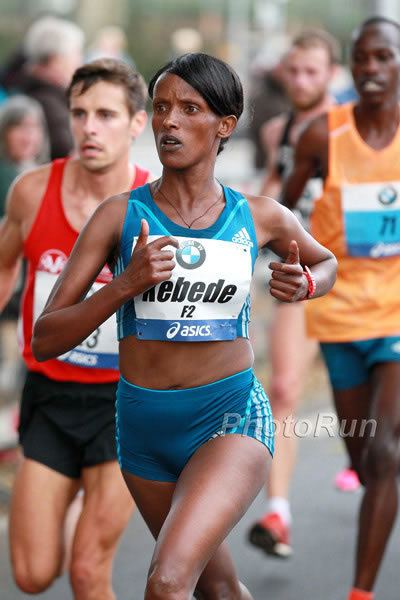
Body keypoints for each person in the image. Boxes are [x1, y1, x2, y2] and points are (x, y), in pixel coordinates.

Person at [31, 52, 337, 600]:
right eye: (161, 107)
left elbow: (325, 261)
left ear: (224, 125)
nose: (168, 121)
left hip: (230, 418)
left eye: (188, 109)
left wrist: (306, 284)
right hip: (144, 429)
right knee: (215, 589)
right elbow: (47, 337)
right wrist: (124, 285)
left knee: (168, 581)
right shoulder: (119, 216)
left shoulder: (260, 215)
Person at [0, 58, 151, 599]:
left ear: (138, 123)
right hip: (49, 396)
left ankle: (95, 505)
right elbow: (3, 266)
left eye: (106, 114)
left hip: (125, 406)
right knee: (33, 575)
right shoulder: (31, 191)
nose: (89, 127)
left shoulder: (156, 206)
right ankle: (81, 504)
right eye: (79, 113)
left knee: (88, 572)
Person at [280, 17, 400, 600]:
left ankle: (361, 592)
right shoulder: (321, 135)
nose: (373, 70)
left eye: (384, 57)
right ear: (350, 68)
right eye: (363, 60)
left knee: (384, 452)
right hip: (339, 315)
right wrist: (293, 261)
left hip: (398, 315)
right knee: (366, 457)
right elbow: (280, 214)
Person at [248, 28, 348, 559]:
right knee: (284, 388)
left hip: (360, 283)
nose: (302, 80)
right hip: (304, 278)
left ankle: (367, 466)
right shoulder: (278, 132)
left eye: (313, 71)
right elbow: (267, 196)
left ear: (332, 75)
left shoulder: (357, 130)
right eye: (295, 71)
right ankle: (277, 512)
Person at [0, 95, 48, 392]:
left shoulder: (40, 172)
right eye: (20, 127)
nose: (28, 135)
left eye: (34, 127)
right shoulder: (6, 175)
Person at [19, 15, 84, 159]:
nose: (80, 60)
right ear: (57, 59)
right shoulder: (48, 103)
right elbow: (66, 152)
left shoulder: (33, 90)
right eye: (76, 53)